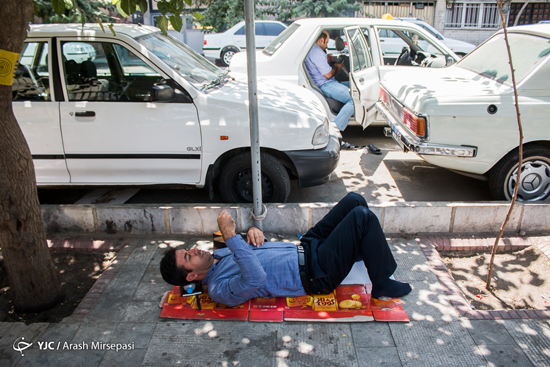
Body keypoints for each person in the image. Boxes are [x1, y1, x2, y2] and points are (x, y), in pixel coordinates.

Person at [160, 193, 411, 307]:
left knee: (354, 201)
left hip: (306, 246)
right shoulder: (218, 290)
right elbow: (255, 277)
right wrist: (231, 237)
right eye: (188, 257)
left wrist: (256, 235)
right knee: (362, 217)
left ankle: (356, 251)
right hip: (315, 272)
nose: (194, 250)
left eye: (188, 249)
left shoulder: (219, 255)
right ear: (191, 275)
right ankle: (382, 282)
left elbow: (258, 255)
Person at [304, 30, 354, 133]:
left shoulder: (314, 50)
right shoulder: (316, 52)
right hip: (326, 84)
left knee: (357, 86)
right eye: (326, 42)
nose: (326, 46)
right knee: (354, 99)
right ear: (321, 40)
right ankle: (335, 128)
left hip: (328, 82)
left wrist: (327, 61)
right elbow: (328, 74)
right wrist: (336, 67)